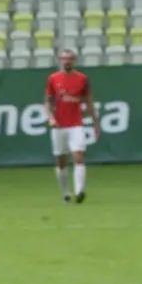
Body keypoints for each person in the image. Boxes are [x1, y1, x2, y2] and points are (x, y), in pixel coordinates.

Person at [46, 48, 98, 204]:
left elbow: (88, 101)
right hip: (59, 126)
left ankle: (79, 191)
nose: (67, 61)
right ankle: (65, 193)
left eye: (70, 58)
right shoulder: (53, 78)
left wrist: (95, 122)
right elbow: (48, 102)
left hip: (76, 124)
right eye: (64, 58)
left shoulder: (82, 79)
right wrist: (50, 118)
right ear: (60, 60)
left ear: (74, 61)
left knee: (78, 155)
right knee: (61, 160)